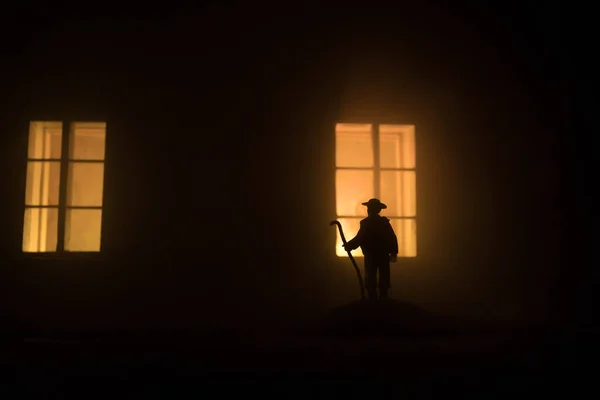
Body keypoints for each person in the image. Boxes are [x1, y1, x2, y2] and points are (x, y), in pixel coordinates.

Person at [343, 198, 399, 301]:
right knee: (375, 275)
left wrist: (350, 245)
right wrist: (350, 245)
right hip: (377, 255)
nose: (369, 210)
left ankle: (379, 296)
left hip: (375, 255)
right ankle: (378, 296)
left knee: (377, 275)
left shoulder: (370, 223)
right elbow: (392, 237)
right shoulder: (381, 223)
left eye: (370, 208)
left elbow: (360, 238)